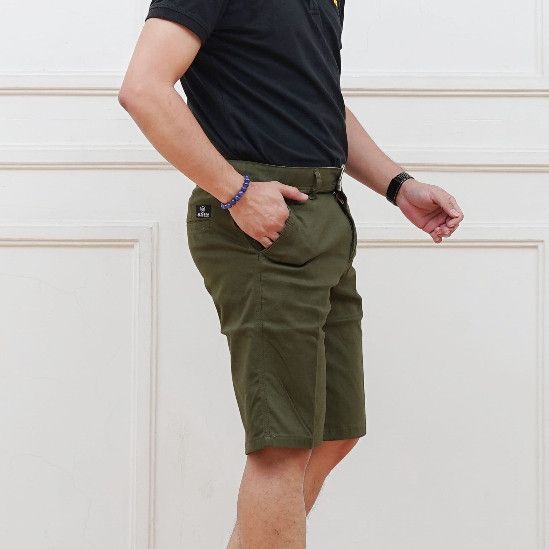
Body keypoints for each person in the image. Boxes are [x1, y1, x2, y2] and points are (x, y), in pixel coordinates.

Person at [118, 1, 464, 546]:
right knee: (281, 446)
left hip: (324, 214)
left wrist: (398, 185)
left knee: (335, 431)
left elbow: (316, 102)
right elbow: (143, 87)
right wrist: (235, 191)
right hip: (261, 220)